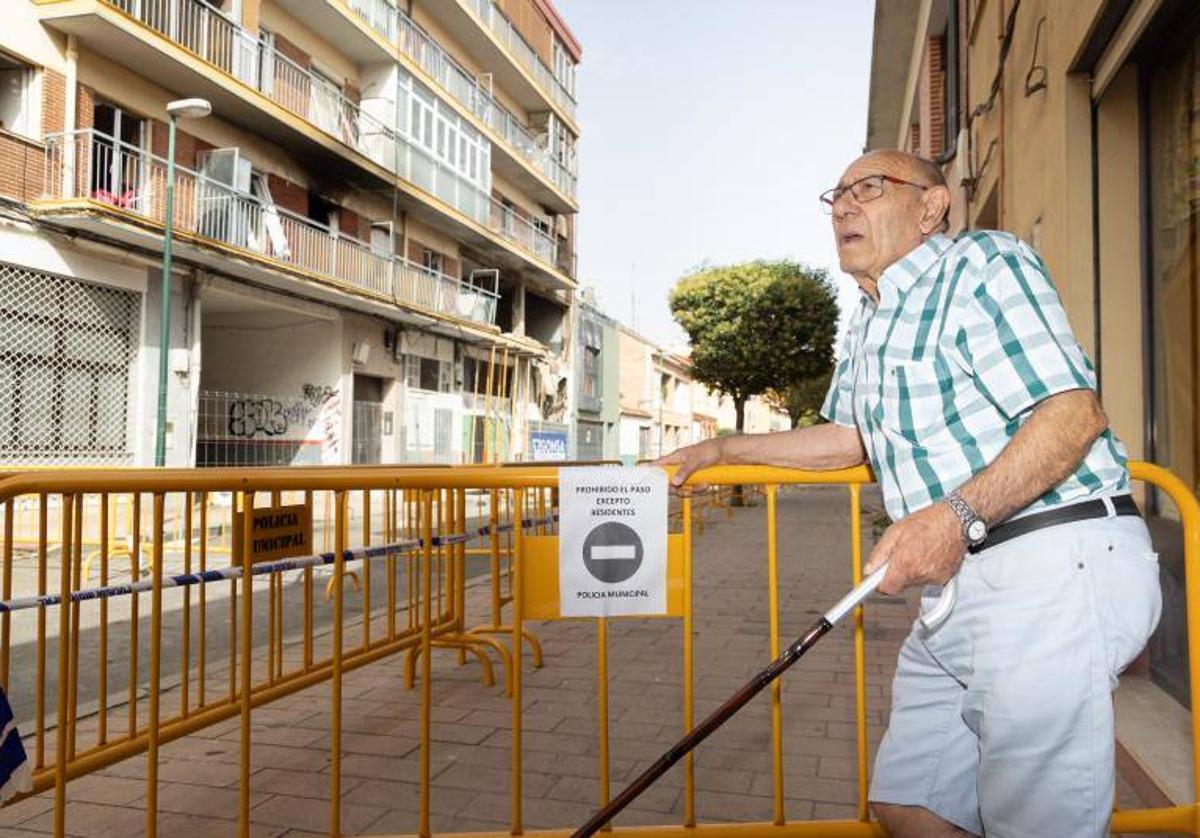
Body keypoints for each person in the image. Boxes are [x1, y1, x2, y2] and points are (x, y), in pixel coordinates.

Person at [659, 150, 1162, 838]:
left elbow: (1074, 414)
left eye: (867, 189)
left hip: (1049, 562)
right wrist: (722, 449)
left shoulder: (982, 264)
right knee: (910, 804)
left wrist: (954, 516)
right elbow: (849, 439)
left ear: (931, 207)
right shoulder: (870, 316)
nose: (842, 208)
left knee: (1038, 822)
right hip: (961, 577)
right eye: (834, 197)